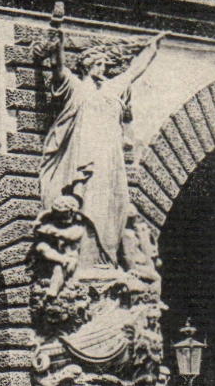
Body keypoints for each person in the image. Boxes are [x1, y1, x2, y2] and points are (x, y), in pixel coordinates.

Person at [40, 30, 165, 270]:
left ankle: (108, 259)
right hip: (84, 158)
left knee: (113, 205)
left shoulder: (112, 88)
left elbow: (133, 72)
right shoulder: (76, 87)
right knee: (85, 202)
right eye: (98, 64)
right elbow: (58, 68)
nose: (103, 69)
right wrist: (60, 43)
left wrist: (152, 48)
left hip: (110, 159)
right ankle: (87, 260)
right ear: (87, 65)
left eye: (104, 65)